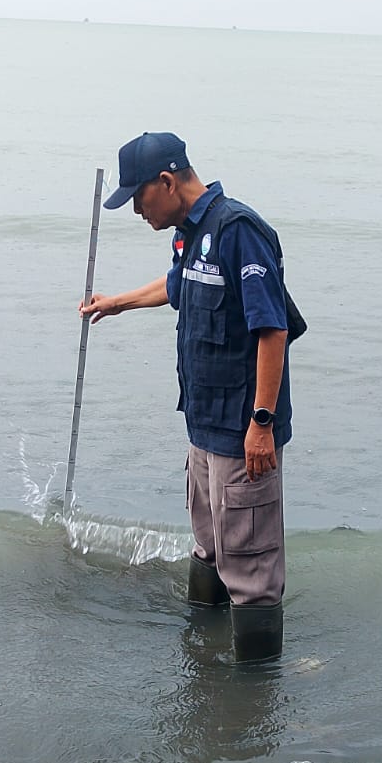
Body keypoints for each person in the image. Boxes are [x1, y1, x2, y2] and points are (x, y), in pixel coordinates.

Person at [80, 131, 297, 662]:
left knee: (250, 566)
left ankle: (253, 696)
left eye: (139, 197)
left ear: (167, 181)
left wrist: (262, 423)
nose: (136, 210)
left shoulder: (239, 232)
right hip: (202, 425)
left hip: (244, 430)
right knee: (209, 544)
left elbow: (273, 329)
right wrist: (117, 303)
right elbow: (178, 284)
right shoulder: (188, 234)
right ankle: (202, 655)